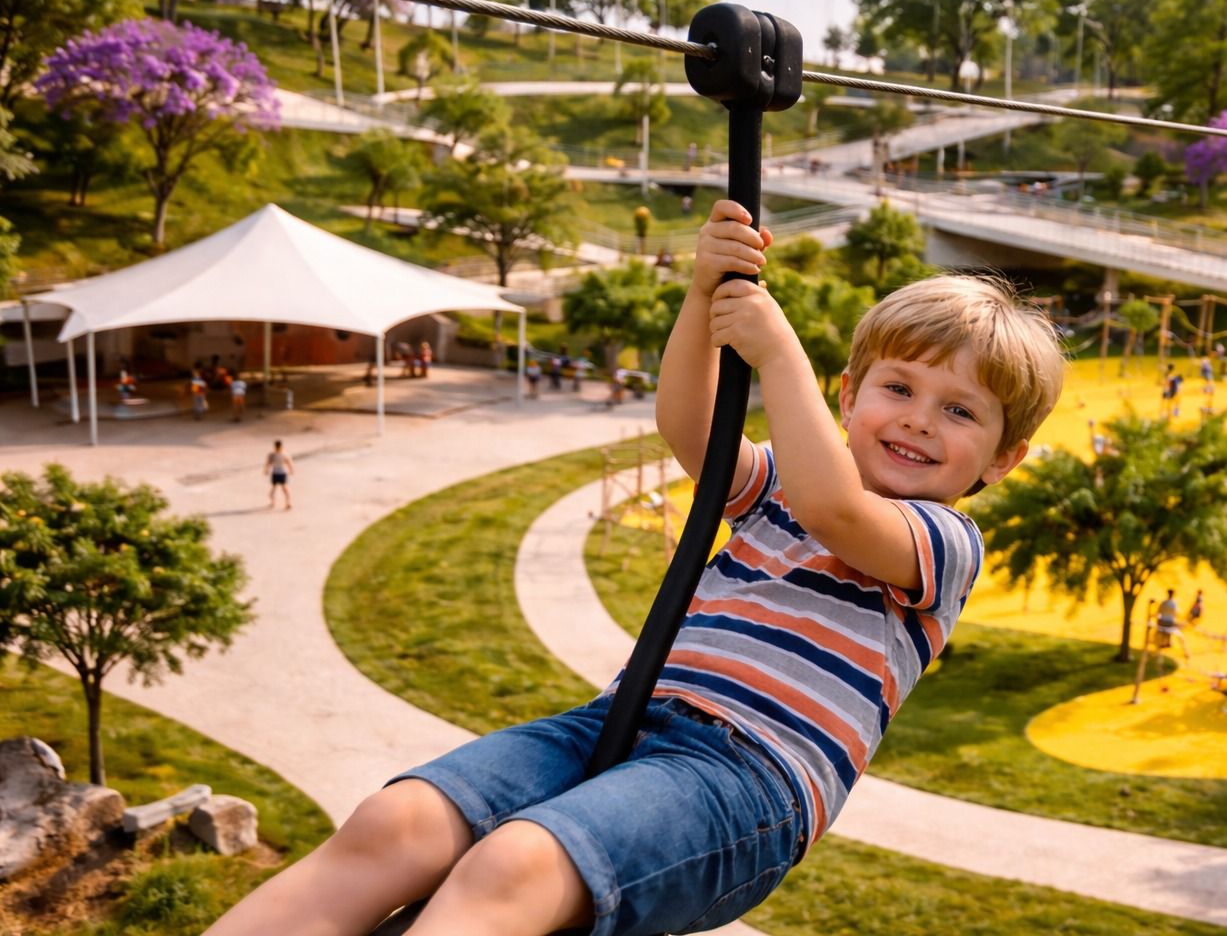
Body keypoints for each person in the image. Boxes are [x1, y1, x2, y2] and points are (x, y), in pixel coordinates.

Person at [206, 199, 1066, 936]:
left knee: (514, 866)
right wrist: (704, 294)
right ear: (849, 394)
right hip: (620, 719)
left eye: (960, 411)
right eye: (899, 388)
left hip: (746, 782)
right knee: (395, 821)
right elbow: (690, 427)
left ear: (1003, 458)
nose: (918, 421)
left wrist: (778, 356)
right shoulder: (772, 484)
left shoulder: (942, 544)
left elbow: (838, 511)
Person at [264, 440, 294, 510]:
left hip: (281, 473)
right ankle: (273, 502)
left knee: (283, 489)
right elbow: (268, 463)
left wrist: (291, 469)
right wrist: (266, 469)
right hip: (276, 473)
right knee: (275, 489)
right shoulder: (273, 455)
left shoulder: (283, 454)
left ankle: (287, 503)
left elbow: (288, 462)